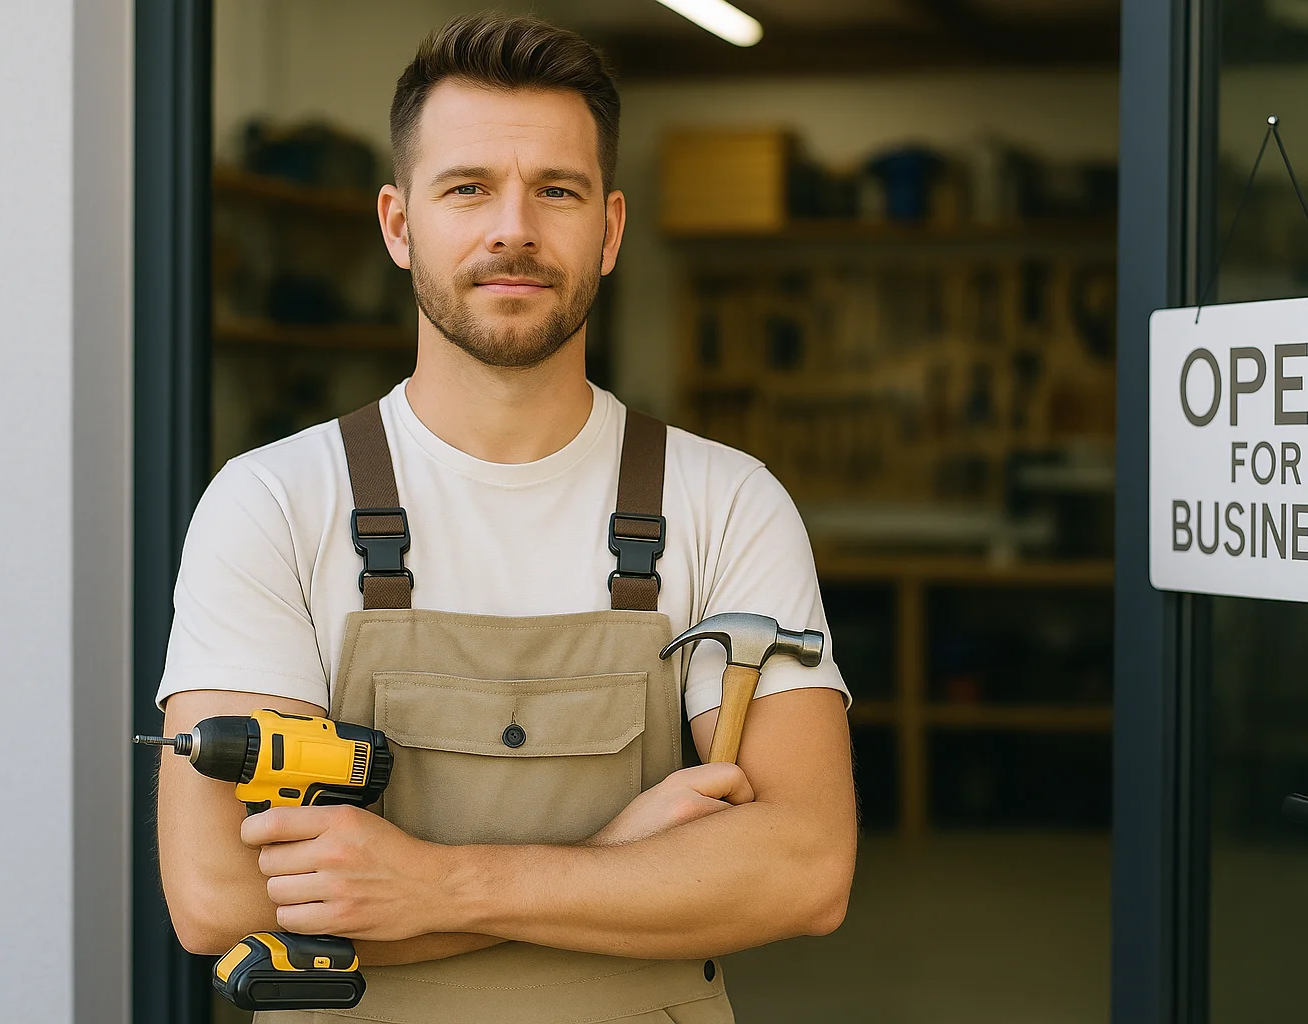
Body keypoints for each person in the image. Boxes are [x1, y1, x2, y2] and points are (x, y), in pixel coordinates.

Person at [154, 13, 856, 1023]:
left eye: (556, 190)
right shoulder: (274, 501)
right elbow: (221, 899)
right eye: (469, 187)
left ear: (609, 230)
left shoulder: (728, 500)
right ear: (398, 224)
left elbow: (804, 868)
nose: (513, 228)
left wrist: (443, 887)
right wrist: (619, 859)